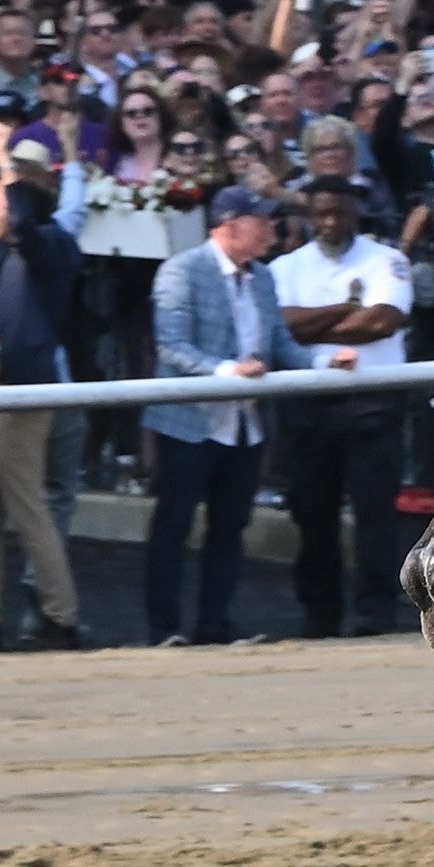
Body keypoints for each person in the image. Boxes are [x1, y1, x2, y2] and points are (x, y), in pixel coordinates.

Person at [144, 187, 316, 647]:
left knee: (230, 527)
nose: (271, 229)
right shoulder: (181, 270)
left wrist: (322, 365)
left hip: (244, 426)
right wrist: (227, 372)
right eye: (261, 221)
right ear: (229, 224)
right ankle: (164, 627)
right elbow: (172, 346)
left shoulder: (263, 277)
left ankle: (214, 624)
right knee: (173, 524)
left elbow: (279, 343)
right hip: (189, 423)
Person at [272, 178, 413, 641]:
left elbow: (381, 321)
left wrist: (310, 325)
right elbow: (281, 328)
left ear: (356, 213)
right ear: (309, 216)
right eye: (322, 213)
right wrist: (345, 306)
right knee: (312, 513)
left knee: (375, 513)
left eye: (339, 212)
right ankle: (320, 614)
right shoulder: (285, 266)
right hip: (308, 403)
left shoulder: (386, 259)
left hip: (373, 401)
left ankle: (376, 611)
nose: (330, 221)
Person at [0, 135, 84, 651]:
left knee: (26, 506)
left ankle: (60, 617)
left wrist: (4, 163)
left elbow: (25, 224)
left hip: (21, 395)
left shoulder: (51, 245)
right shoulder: (5, 249)